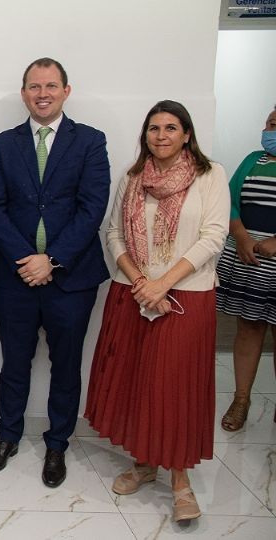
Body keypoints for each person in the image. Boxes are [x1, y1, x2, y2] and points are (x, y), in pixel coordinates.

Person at [85, 100, 228, 523]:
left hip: (187, 298)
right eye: (153, 128)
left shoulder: (210, 175)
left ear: (187, 134)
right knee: (136, 381)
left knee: (175, 387)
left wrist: (163, 283)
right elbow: (113, 233)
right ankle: (144, 463)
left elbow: (214, 236)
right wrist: (142, 281)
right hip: (132, 293)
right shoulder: (133, 179)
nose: (160, 136)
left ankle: (180, 481)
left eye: (170, 128)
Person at [0, 58, 111, 488]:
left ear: (65, 91)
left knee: (66, 364)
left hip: (72, 278)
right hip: (15, 275)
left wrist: (52, 259)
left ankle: (57, 443)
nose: (42, 93)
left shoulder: (90, 142)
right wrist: (26, 259)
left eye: (51, 86)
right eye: (34, 86)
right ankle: (8, 436)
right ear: (23, 93)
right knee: (14, 362)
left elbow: (92, 208)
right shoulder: (3, 144)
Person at [215, 105, 276, 431]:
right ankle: (241, 400)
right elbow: (230, 199)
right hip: (248, 260)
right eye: (270, 123)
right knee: (248, 329)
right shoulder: (254, 160)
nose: (272, 131)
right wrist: (240, 236)